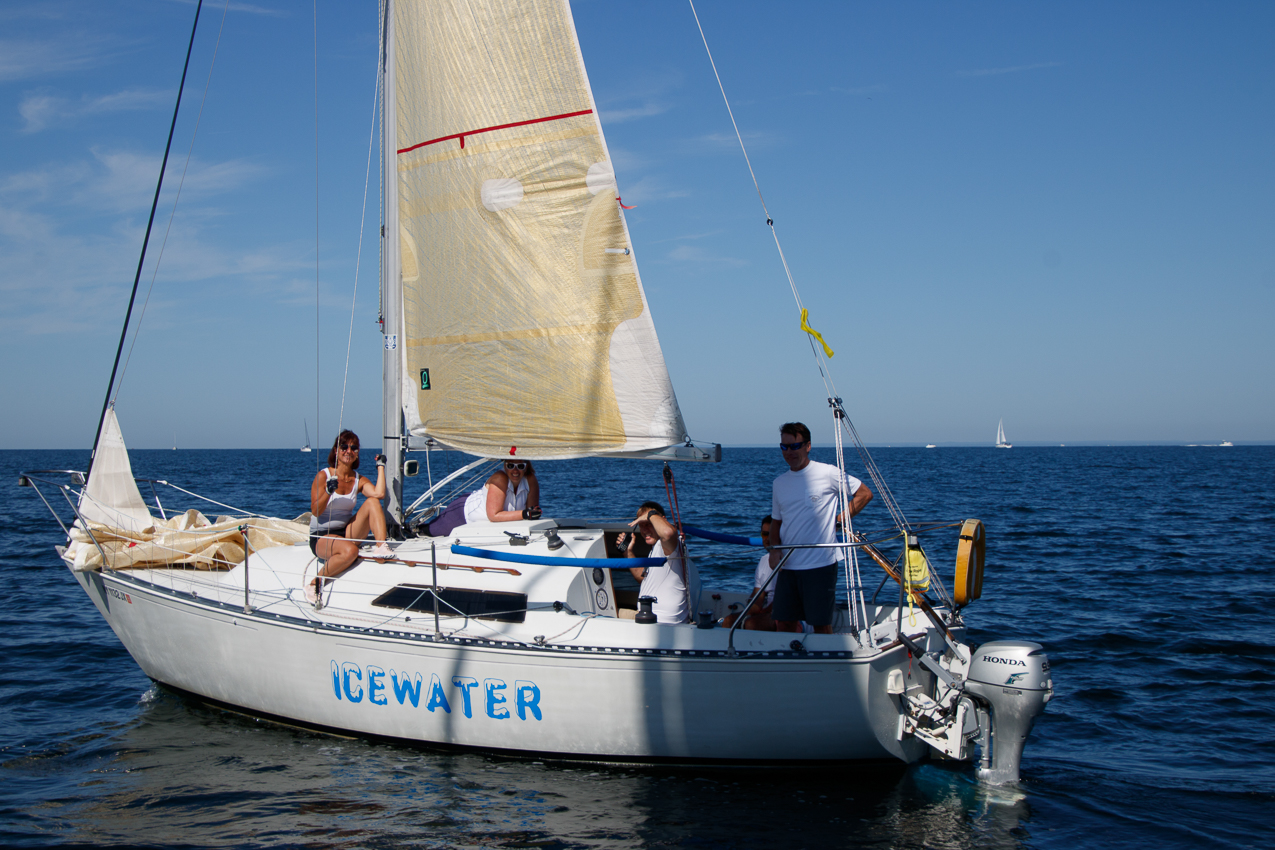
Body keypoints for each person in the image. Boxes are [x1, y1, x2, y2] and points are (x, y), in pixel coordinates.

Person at [769, 422, 872, 635]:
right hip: (788, 566)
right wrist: (773, 549)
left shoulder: (828, 473)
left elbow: (864, 494)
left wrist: (839, 520)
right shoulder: (779, 483)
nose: (789, 452)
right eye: (784, 447)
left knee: (821, 625)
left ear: (808, 446)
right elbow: (776, 523)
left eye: (795, 446)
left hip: (821, 564)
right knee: (784, 623)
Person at [309, 430, 392, 599]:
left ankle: (381, 546)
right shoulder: (323, 476)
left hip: (346, 532)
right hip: (321, 536)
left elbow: (379, 494)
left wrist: (381, 467)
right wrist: (327, 490)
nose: (349, 451)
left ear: (357, 453)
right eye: (344, 446)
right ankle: (315, 583)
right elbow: (316, 511)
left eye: (354, 448)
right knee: (350, 552)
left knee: (372, 502)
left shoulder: (358, 479)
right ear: (336, 450)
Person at [424, 459, 541, 538]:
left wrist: (532, 513)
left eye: (520, 466)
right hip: (461, 514)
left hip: (486, 523)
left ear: (526, 467)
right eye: (511, 466)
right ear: (505, 466)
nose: (515, 471)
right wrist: (526, 514)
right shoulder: (500, 479)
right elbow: (494, 515)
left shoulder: (530, 480)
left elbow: (531, 512)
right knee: (428, 532)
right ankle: (412, 530)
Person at [619, 501, 690, 624]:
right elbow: (643, 577)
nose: (645, 529)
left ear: (661, 521)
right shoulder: (656, 549)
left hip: (660, 622)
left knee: (602, 613)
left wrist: (651, 514)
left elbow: (668, 533)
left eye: (649, 524)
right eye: (642, 524)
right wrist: (628, 552)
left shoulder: (671, 546)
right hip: (646, 617)